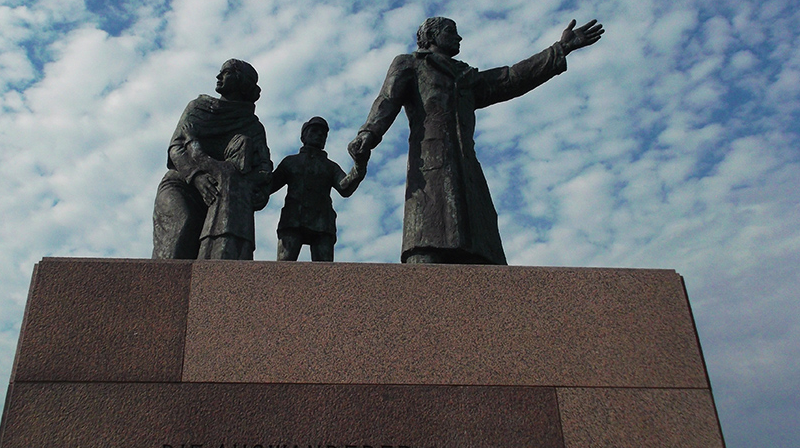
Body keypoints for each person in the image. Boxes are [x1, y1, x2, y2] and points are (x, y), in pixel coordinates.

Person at [348, 17, 604, 265]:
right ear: (431, 36)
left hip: (467, 171)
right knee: (427, 245)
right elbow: (387, 100)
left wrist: (561, 49)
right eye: (451, 31)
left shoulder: (467, 76)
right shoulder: (410, 64)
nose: (459, 37)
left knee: (481, 255)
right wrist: (367, 134)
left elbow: (511, 78)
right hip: (430, 169)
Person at [152, 59, 272, 260]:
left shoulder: (252, 126)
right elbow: (176, 147)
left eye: (226, 72)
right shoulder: (199, 107)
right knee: (184, 222)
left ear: (242, 81)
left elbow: (264, 166)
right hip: (183, 183)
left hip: (225, 195)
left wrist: (263, 191)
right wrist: (197, 177)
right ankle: (162, 288)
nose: (218, 77)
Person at [270, 116, 367, 261]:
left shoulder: (330, 166)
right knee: (283, 270)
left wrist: (359, 167)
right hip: (293, 220)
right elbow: (270, 185)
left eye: (323, 134)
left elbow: (344, 187)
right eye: (314, 131)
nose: (320, 135)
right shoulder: (291, 162)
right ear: (303, 136)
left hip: (323, 223)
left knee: (325, 274)